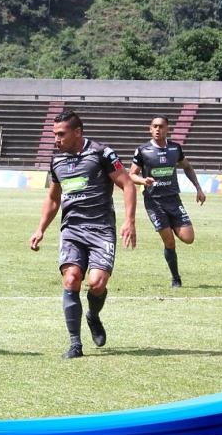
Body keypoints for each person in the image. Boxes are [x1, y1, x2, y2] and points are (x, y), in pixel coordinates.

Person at [29, 110, 137, 359]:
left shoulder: (101, 153)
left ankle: (93, 315)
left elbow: (127, 183)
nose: (56, 139)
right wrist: (40, 229)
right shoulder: (57, 162)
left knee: (97, 284)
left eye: (61, 134)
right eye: (54, 134)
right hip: (72, 230)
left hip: (101, 229)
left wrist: (129, 221)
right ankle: (75, 344)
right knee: (71, 280)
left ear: (77, 132)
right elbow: (54, 199)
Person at [129, 115, 206, 288]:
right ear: (150, 129)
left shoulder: (175, 149)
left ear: (167, 129)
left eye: (161, 126)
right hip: (154, 202)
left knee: (188, 238)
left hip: (174, 200)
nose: (158, 129)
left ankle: (172, 226)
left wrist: (198, 188)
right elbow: (131, 174)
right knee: (169, 242)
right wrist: (142, 181)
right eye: (154, 126)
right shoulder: (143, 150)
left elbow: (187, 167)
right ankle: (176, 278)